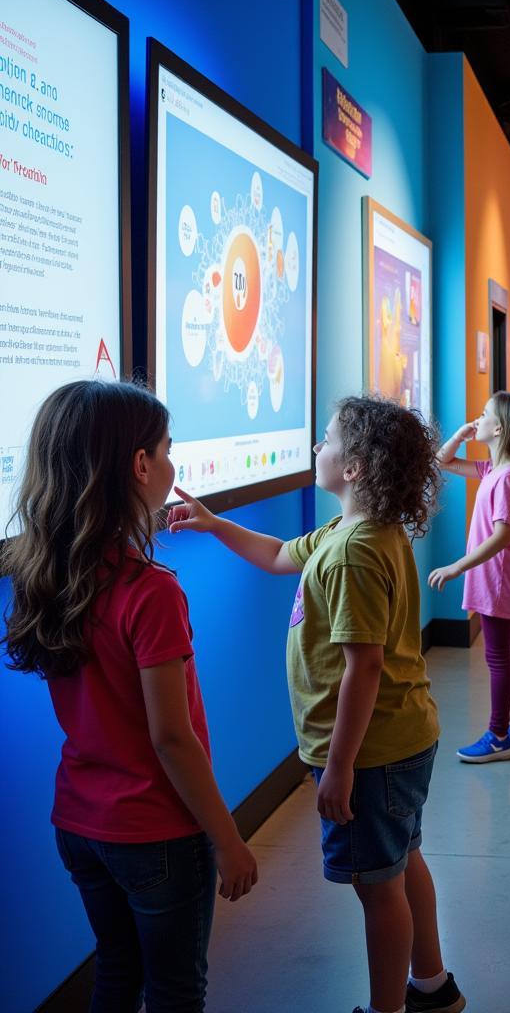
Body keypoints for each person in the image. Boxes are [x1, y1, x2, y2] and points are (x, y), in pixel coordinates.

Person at [168, 397, 465, 1013]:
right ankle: (432, 987)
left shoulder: (355, 550)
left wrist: (339, 765)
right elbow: (280, 556)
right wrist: (215, 522)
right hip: (402, 738)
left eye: (325, 441)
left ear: (354, 467)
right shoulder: (352, 532)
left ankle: (389, 1008)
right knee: (404, 859)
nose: (314, 448)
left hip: (372, 753)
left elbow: (364, 666)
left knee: (378, 890)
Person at [1, 380, 258, 1013]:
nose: (174, 464)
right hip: (157, 833)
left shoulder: (43, 571)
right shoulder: (151, 591)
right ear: (140, 465)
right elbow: (171, 738)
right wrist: (227, 839)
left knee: (116, 973)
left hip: (80, 825)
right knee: (175, 991)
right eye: (168, 449)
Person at [430, 392, 510, 763]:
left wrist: (456, 566)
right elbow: (441, 461)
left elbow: (501, 535)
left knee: (500, 659)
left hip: (498, 581)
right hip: (506, 580)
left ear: (498, 428)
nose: (475, 420)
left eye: (482, 416)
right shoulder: (494, 470)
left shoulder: (507, 477)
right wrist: (461, 434)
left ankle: (499, 735)